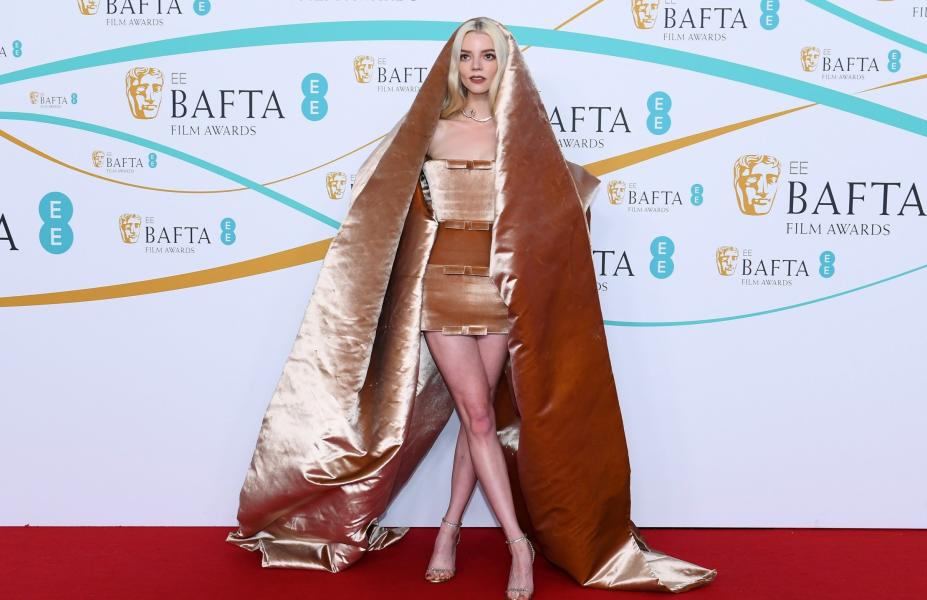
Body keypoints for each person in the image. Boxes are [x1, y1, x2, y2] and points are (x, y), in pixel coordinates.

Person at [226, 16, 717, 598]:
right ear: (454, 64)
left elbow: (561, 203)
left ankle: (449, 530)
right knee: (477, 414)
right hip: (441, 284)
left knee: (476, 415)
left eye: (488, 55)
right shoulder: (430, 131)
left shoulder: (523, 136)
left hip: (503, 290)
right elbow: (377, 194)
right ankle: (517, 546)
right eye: (467, 56)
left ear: (504, 64)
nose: (477, 66)